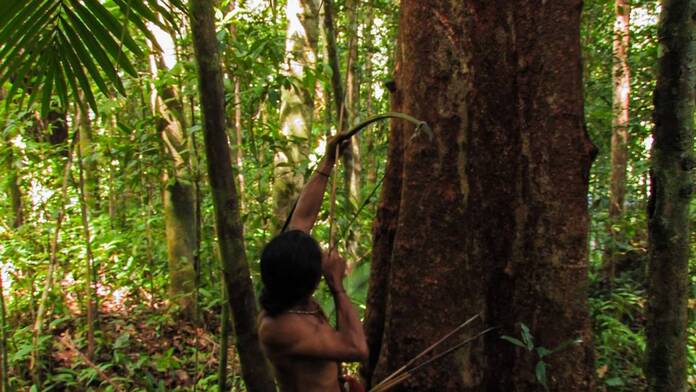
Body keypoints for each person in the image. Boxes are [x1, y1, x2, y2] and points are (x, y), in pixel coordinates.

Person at [257, 136, 368, 392]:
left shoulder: (287, 288)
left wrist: (329, 161)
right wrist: (337, 286)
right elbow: (357, 348)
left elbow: (302, 220)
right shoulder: (280, 326)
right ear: (308, 280)